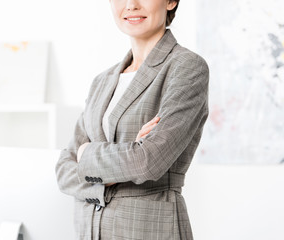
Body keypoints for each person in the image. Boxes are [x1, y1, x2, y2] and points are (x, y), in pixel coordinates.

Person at [55, 0, 209, 239]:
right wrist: (120, 163)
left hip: (149, 229)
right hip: (90, 230)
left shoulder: (186, 67)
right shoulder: (102, 81)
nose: (131, 5)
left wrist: (87, 154)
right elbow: (64, 171)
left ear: (171, 2)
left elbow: (147, 161)